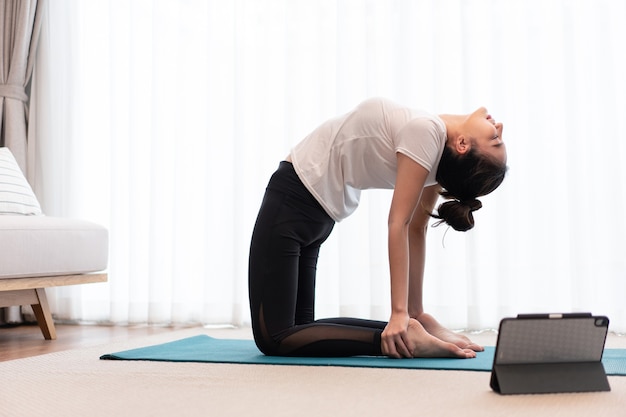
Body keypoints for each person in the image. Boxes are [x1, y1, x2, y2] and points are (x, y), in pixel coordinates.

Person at [248, 97, 507, 359]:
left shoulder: (426, 131)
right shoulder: (436, 150)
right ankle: (410, 331)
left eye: (495, 140)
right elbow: (416, 228)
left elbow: (400, 223)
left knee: (274, 337)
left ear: (462, 145)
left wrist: (399, 314)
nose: (499, 127)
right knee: (297, 332)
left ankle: (398, 338)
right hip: (315, 211)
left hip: (295, 198)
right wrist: (414, 312)